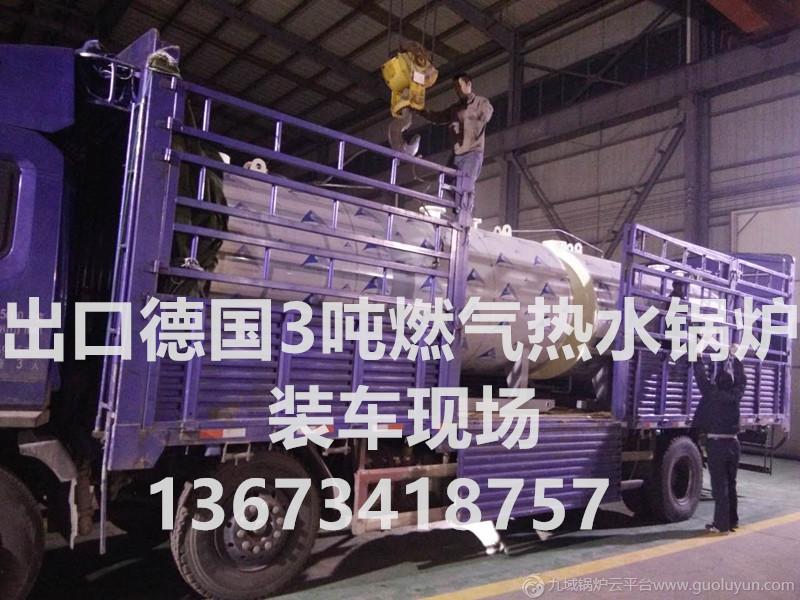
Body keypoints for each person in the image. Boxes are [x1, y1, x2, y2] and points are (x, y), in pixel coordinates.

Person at [418, 73, 493, 212]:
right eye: (455, 87)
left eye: (459, 86)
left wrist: (469, 118)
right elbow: (438, 117)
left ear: (468, 84)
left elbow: (486, 115)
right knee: (446, 180)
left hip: (472, 153)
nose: (457, 90)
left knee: (464, 186)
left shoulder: (481, 103)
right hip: (457, 154)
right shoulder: (455, 108)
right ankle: (464, 207)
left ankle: (464, 212)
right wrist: (420, 110)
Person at [692, 349, 747, 534]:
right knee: (731, 484)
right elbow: (742, 380)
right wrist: (736, 357)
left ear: (717, 383)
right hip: (734, 444)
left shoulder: (711, 394)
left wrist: (697, 358)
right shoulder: (736, 395)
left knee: (719, 486)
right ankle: (733, 521)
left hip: (717, 445)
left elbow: (701, 378)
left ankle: (721, 525)